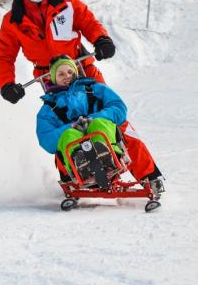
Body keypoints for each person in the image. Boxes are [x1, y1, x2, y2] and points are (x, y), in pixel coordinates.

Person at [0, 0, 162, 185]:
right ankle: (75, 175)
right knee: (65, 125)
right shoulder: (13, 20)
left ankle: (149, 175)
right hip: (50, 79)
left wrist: (101, 39)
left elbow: (88, 22)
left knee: (113, 118)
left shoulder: (65, 2)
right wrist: (7, 84)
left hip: (82, 67)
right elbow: (5, 56)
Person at [36, 56, 165, 194]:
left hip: (103, 137)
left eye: (70, 72)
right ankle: (81, 164)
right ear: (53, 78)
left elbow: (119, 108)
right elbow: (46, 138)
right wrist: (71, 126)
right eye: (61, 74)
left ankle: (109, 158)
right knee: (68, 135)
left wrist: (93, 118)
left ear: (76, 72)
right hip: (75, 152)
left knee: (103, 126)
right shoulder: (48, 108)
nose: (66, 76)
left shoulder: (94, 88)